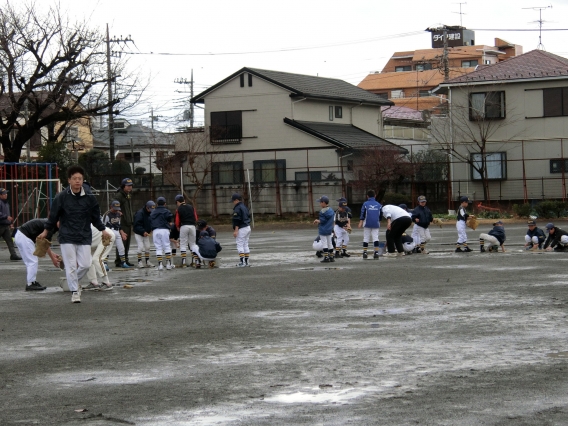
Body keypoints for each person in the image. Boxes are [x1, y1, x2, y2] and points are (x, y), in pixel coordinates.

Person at [38, 165, 111, 303]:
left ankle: (73, 282)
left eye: (80, 179)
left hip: (84, 235)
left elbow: (95, 217)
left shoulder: (89, 198)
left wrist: (103, 229)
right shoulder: (61, 197)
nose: (77, 181)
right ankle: (75, 292)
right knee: (71, 265)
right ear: (69, 180)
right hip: (67, 236)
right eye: (75, 178)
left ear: (83, 180)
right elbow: (53, 217)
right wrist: (45, 231)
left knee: (85, 264)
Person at [14, 218, 60, 291]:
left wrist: (53, 254)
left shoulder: (50, 223)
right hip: (25, 236)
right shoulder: (50, 227)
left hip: (21, 235)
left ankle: (32, 281)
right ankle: (30, 284)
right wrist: (53, 259)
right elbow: (45, 243)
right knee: (32, 261)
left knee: (30, 261)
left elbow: (45, 244)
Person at [82, 225, 116, 291]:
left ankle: (107, 283)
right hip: (94, 240)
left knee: (97, 259)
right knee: (88, 259)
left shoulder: (78, 228)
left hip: (106, 236)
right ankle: (94, 283)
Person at [102, 200, 131, 268]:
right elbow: (102, 225)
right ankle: (105, 263)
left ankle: (123, 262)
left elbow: (118, 224)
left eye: (117, 209)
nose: (116, 210)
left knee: (121, 247)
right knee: (107, 248)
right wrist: (104, 233)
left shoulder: (118, 213)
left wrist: (122, 232)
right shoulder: (107, 214)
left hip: (117, 231)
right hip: (109, 231)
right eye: (115, 208)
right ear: (111, 206)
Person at [114, 178, 134, 267]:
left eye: (131, 186)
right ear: (123, 186)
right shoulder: (119, 195)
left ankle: (125, 259)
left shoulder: (127, 195)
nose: (130, 187)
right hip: (122, 222)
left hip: (128, 222)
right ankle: (119, 261)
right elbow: (113, 203)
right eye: (128, 186)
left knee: (127, 243)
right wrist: (117, 211)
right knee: (122, 243)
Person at [150, 196, 175, 270]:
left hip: (155, 230)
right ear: (165, 204)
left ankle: (160, 265)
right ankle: (168, 264)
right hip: (164, 229)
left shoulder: (153, 211)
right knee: (167, 246)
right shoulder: (167, 211)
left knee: (158, 247)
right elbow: (169, 218)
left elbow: (150, 220)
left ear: (157, 204)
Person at [175, 194, 198, 268]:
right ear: (184, 200)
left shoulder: (179, 209)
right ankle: (194, 261)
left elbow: (177, 220)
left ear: (178, 202)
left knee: (183, 244)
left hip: (184, 226)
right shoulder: (191, 207)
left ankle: (184, 262)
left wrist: (178, 227)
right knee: (192, 244)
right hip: (192, 226)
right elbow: (196, 218)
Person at [358, 189, 381, 259]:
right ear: (375, 196)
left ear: (367, 196)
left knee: (366, 237)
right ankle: (376, 252)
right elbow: (381, 214)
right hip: (376, 223)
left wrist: (361, 222)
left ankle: (365, 252)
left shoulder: (365, 204)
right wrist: (379, 221)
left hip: (367, 223)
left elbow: (363, 213)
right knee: (375, 237)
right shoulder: (379, 205)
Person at [0, 187, 21, 260]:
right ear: (0, 195)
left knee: (10, 241)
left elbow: (7, 214)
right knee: (9, 240)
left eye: (6, 193)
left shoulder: (6, 203)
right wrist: (6, 217)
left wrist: (9, 223)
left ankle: (13, 255)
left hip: (5, 225)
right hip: (0, 225)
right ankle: (13, 255)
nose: (6, 195)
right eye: (4, 194)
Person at [133, 200, 156, 268]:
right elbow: (137, 225)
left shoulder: (150, 213)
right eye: (150, 209)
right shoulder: (140, 213)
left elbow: (151, 222)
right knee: (140, 247)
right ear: (146, 207)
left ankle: (147, 261)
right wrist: (143, 231)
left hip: (146, 233)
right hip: (139, 233)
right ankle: (139, 262)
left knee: (148, 247)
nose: (151, 210)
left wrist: (151, 228)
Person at [232, 193, 251, 267]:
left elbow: (237, 219)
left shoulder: (237, 208)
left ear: (236, 200)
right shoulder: (244, 206)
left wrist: (236, 230)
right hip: (247, 227)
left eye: (233, 201)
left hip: (242, 227)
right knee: (245, 244)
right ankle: (247, 262)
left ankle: (242, 262)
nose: (233, 202)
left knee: (240, 244)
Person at [313, 196, 335, 263]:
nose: (320, 204)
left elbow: (322, 221)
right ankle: (331, 256)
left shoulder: (322, 211)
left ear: (323, 203)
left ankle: (326, 257)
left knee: (324, 243)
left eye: (320, 202)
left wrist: (317, 221)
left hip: (323, 229)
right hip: (329, 229)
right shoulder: (331, 210)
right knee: (330, 243)